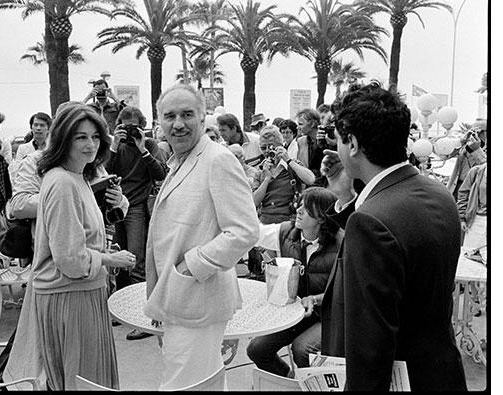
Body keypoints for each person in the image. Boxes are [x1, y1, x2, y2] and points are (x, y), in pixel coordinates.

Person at [314, 84, 466, 391]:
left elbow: (370, 348)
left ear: (353, 143)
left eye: (339, 139)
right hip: (441, 371)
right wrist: (344, 194)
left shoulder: (371, 222)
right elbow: (399, 231)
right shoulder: (438, 193)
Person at [144, 83, 258, 391]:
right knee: (203, 384)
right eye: (170, 116)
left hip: (196, 299)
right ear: (159, 121)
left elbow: (244, 230)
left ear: (202, 117)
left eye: (187, 114)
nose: (178, 124)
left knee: (180, 386)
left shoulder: (217, 159)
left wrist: (189, 268)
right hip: (182, 300)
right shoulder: (180, 160)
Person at [28, 102, 137, 390]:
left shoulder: (77, 176)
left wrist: (103, 253)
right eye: (81, 137)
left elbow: (77, 243)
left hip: (80, 292)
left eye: (95, 136)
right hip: (70, 296)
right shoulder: (63, 182)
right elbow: (70, 260)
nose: (90, 144)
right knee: (84, 380)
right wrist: (110, 260)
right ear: (63, 139)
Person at [246, 187, 341, 378]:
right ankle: (289, 380)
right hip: (297, 312)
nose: (298, 210)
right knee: (257, 349)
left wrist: (316, 299)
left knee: (302, 349)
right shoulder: (286, 232)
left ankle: (314, 385)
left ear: (322, 217)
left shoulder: (342, 243)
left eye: (307, 208)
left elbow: (347, 290)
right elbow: (252, 233)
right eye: (300, 204)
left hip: (330, 314)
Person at [103, 105, 168, 340]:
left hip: (138, 206)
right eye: (125, 127)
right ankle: (123, 310)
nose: (130, 132)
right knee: (120, 259)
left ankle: (144, 318)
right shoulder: (116, 146)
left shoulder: (149, 144)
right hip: (117, 206)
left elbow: (161, 174)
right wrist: (113, 146)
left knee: (137, 261)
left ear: (142, 126)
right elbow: (104, 173)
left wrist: (143, 149)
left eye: (134, 127)